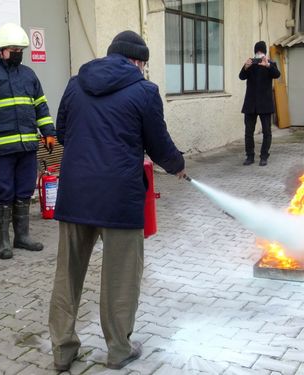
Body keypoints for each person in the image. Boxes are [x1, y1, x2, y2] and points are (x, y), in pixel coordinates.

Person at [48, 30, 186, 371]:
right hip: (118, 198)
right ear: (138, 61)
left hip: (76, 193)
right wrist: (177, 165)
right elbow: (157, 142)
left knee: (67, 274)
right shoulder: (144, 91)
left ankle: (63, 351)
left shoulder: (75, 83)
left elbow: (62, 132)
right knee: (120, 278)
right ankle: (119, 350)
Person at [0, 23, 56, 260]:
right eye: (14, 48)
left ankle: (22, 236)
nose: (18, 52)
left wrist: (48, 131)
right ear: (1, 49)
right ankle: (4, 241)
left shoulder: (28, 75)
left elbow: (41, 106)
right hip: (1, 150)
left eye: (21, 49)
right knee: (4, 191)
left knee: (25, 191)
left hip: (27, 147)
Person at [239, 40, 281, 166]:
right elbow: (241, 76)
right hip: (250, 104)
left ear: (265, 53)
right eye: (257, 51)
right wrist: (245, 66)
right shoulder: (250, 64)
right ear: (254, 52)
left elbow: (277, 75)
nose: (259, 54)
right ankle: (249, 156)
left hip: (265, 104)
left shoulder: (270, 64)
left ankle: (264, 156)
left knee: (267, 132)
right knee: (248, 132)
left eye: (261, 51)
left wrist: (268, 65)